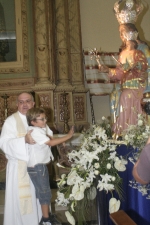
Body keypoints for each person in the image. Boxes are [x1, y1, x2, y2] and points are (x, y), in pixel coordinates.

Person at [26, 107, 74, 225]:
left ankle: (46, 218)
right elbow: (50, 142)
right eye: (42, 119)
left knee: (44, 192)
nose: (45, 121)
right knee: (45, 193)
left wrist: (60, 140)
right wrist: (68, 136)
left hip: (38, 166)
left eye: (45, 118)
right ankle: (46, 220)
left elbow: (50, 138)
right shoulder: (35, 131)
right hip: (38, 167)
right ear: (33, 122)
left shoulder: (38, 128)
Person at [0, 92, 42, 225]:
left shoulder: (39, 120)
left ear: (33, 104)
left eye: (27, 101)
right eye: (21, 102)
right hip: (19, 170)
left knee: (38, 201)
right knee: (20, 203)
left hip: (37, 169)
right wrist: (24, 140)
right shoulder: (11, 121)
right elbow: (4, 144)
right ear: (17, 104)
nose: (24, 104)